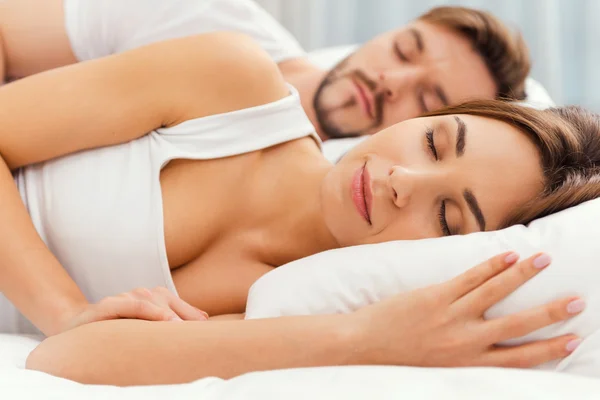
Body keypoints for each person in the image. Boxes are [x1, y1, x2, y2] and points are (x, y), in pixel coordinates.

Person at [0, 33, 597, 384]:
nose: (402, 181)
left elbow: (68, 359)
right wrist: (66, 308)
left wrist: (360, 337)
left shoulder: (295, 300)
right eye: (435, 141)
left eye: (447, 218)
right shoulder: (230, 84)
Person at [0, 0, 531, 141]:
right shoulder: (208, 18)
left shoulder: (328, 201)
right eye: (405, 50)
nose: (393, 80)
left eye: (429, 98)